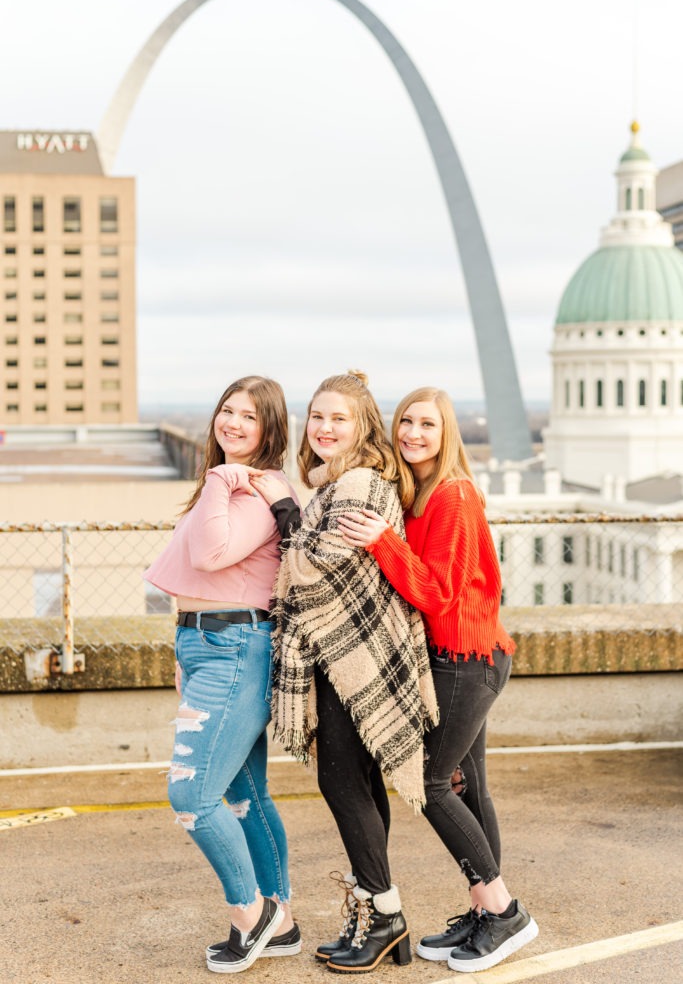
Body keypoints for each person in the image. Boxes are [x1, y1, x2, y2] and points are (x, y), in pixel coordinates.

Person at [338, 387, 538, 974]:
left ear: (447, 433)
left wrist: (380, 540)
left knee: (429, 783)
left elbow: (435, 591)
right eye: (406, 422)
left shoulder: (452, 496)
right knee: (470, 786)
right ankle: (484, 909)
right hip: (458, 656)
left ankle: (504, 913)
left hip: (465, 658)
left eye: (428, 424)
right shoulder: (418, 495)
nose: (414, 433)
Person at [250, 371, 438, 974]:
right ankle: (379, 915)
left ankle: (384, 915)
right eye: (318, 416)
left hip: (355, 660)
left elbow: (314, 569)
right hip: (348, 660)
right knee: (356, 786)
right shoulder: (341, 483)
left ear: (362, 428)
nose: (325, 428)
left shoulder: (357, 482)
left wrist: (285, 516)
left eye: (340, 419)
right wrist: (301, 520)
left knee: (343, 785)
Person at [143, 375, 301, 975]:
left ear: (269, 431)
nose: (233, 423)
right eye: (227, 411)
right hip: (208, 644)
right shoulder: (236, 485)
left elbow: (210, 556)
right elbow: (195, 582)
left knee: (191, 793)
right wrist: (184, 654)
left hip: (237, 647)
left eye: (249, 417)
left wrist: (218, 478)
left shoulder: (256, 489)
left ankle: (251, 914)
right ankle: (280, 923)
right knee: (243, 793)